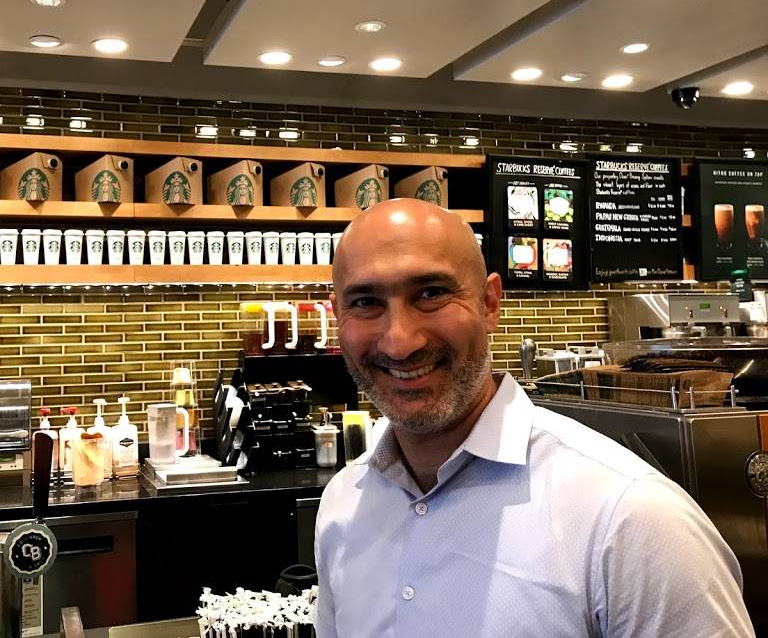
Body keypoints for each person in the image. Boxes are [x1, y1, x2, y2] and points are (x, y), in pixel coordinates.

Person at [314, 198, 754, 637]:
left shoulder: (630, 517)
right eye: (366, 302)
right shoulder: (343, 506)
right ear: (338, 315)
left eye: (431, 293)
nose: (399, 342)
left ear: (490, 303)